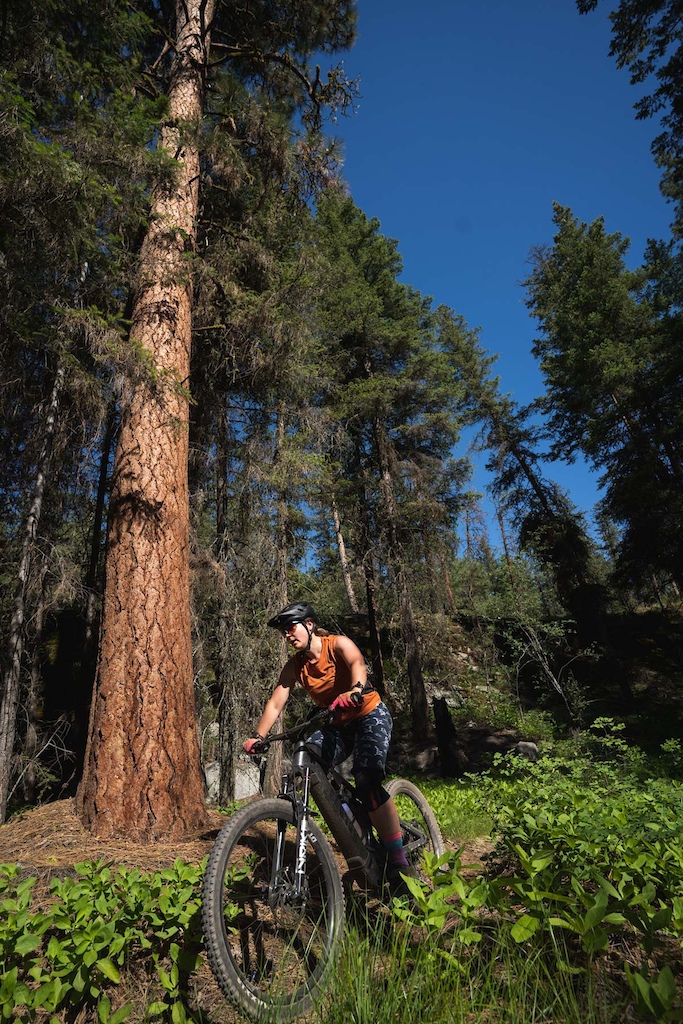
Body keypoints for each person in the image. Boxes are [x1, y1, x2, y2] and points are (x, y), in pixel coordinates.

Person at [243, 601, 411, 891]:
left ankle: (398, 861)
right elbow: (276, 700)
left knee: (367, 779)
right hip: (337, 724)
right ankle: (354, 817)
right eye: (283, 631)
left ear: (309, 625)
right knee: (308, 757)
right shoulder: (296, 666)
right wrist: (259, 736)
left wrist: (356, 690)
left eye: (291, 628)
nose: (287, 635)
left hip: (369, 714)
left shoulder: (337, 644)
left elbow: (358, 663)